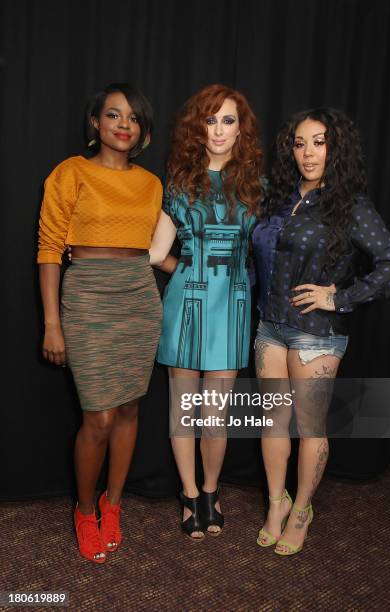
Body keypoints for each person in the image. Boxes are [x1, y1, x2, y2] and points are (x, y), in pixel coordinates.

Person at [252, 108, 390, 556]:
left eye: (318, 142)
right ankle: (276, 503)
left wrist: (337, 297)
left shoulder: (349, 204)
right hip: (270, 328)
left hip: (316, 335)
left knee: (310, 427)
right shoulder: (280, 198)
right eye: (299, 143)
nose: (308, 153)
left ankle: (302, 510)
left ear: (335, 147)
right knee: (273, 423)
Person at [37, 83, 163, 563]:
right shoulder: (70, 173)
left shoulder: (151, 184)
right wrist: (53, 323)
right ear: (96, 123)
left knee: (130, 410)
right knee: (99, 416)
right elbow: (50, 250)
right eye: (113, 115)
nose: (123, 124)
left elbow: (152, 248)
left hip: (138, 296)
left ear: (143, 128)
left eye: (133, 117)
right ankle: (85, 510)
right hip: (88, 295)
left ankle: (114, 504)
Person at [149, 84, 263, 540]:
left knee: (215, 414)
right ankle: (190, 494)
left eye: (228, 120)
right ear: (199, 127)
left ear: (241, 130)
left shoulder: (257, 186)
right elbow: (157, 253)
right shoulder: (180, 183)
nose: (218, 129)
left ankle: (212, 492)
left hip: (233, 306)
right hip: (186, 305)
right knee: (185, 411)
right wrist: (189, 267)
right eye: (211, 120)